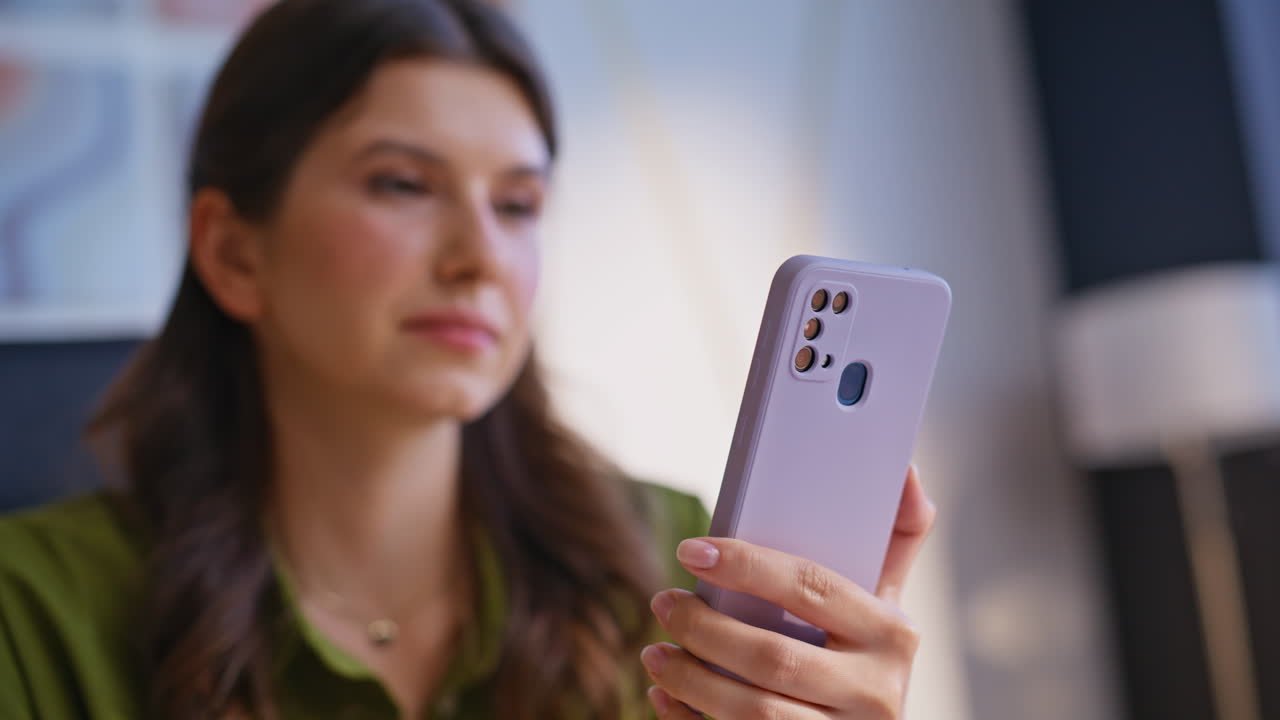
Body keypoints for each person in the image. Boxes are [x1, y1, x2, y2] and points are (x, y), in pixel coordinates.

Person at [0, 1, 937, 718]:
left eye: (518, 204)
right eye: (403, 185)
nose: (480, 257)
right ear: (234, 252)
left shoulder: (673, 567)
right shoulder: (33, 614)